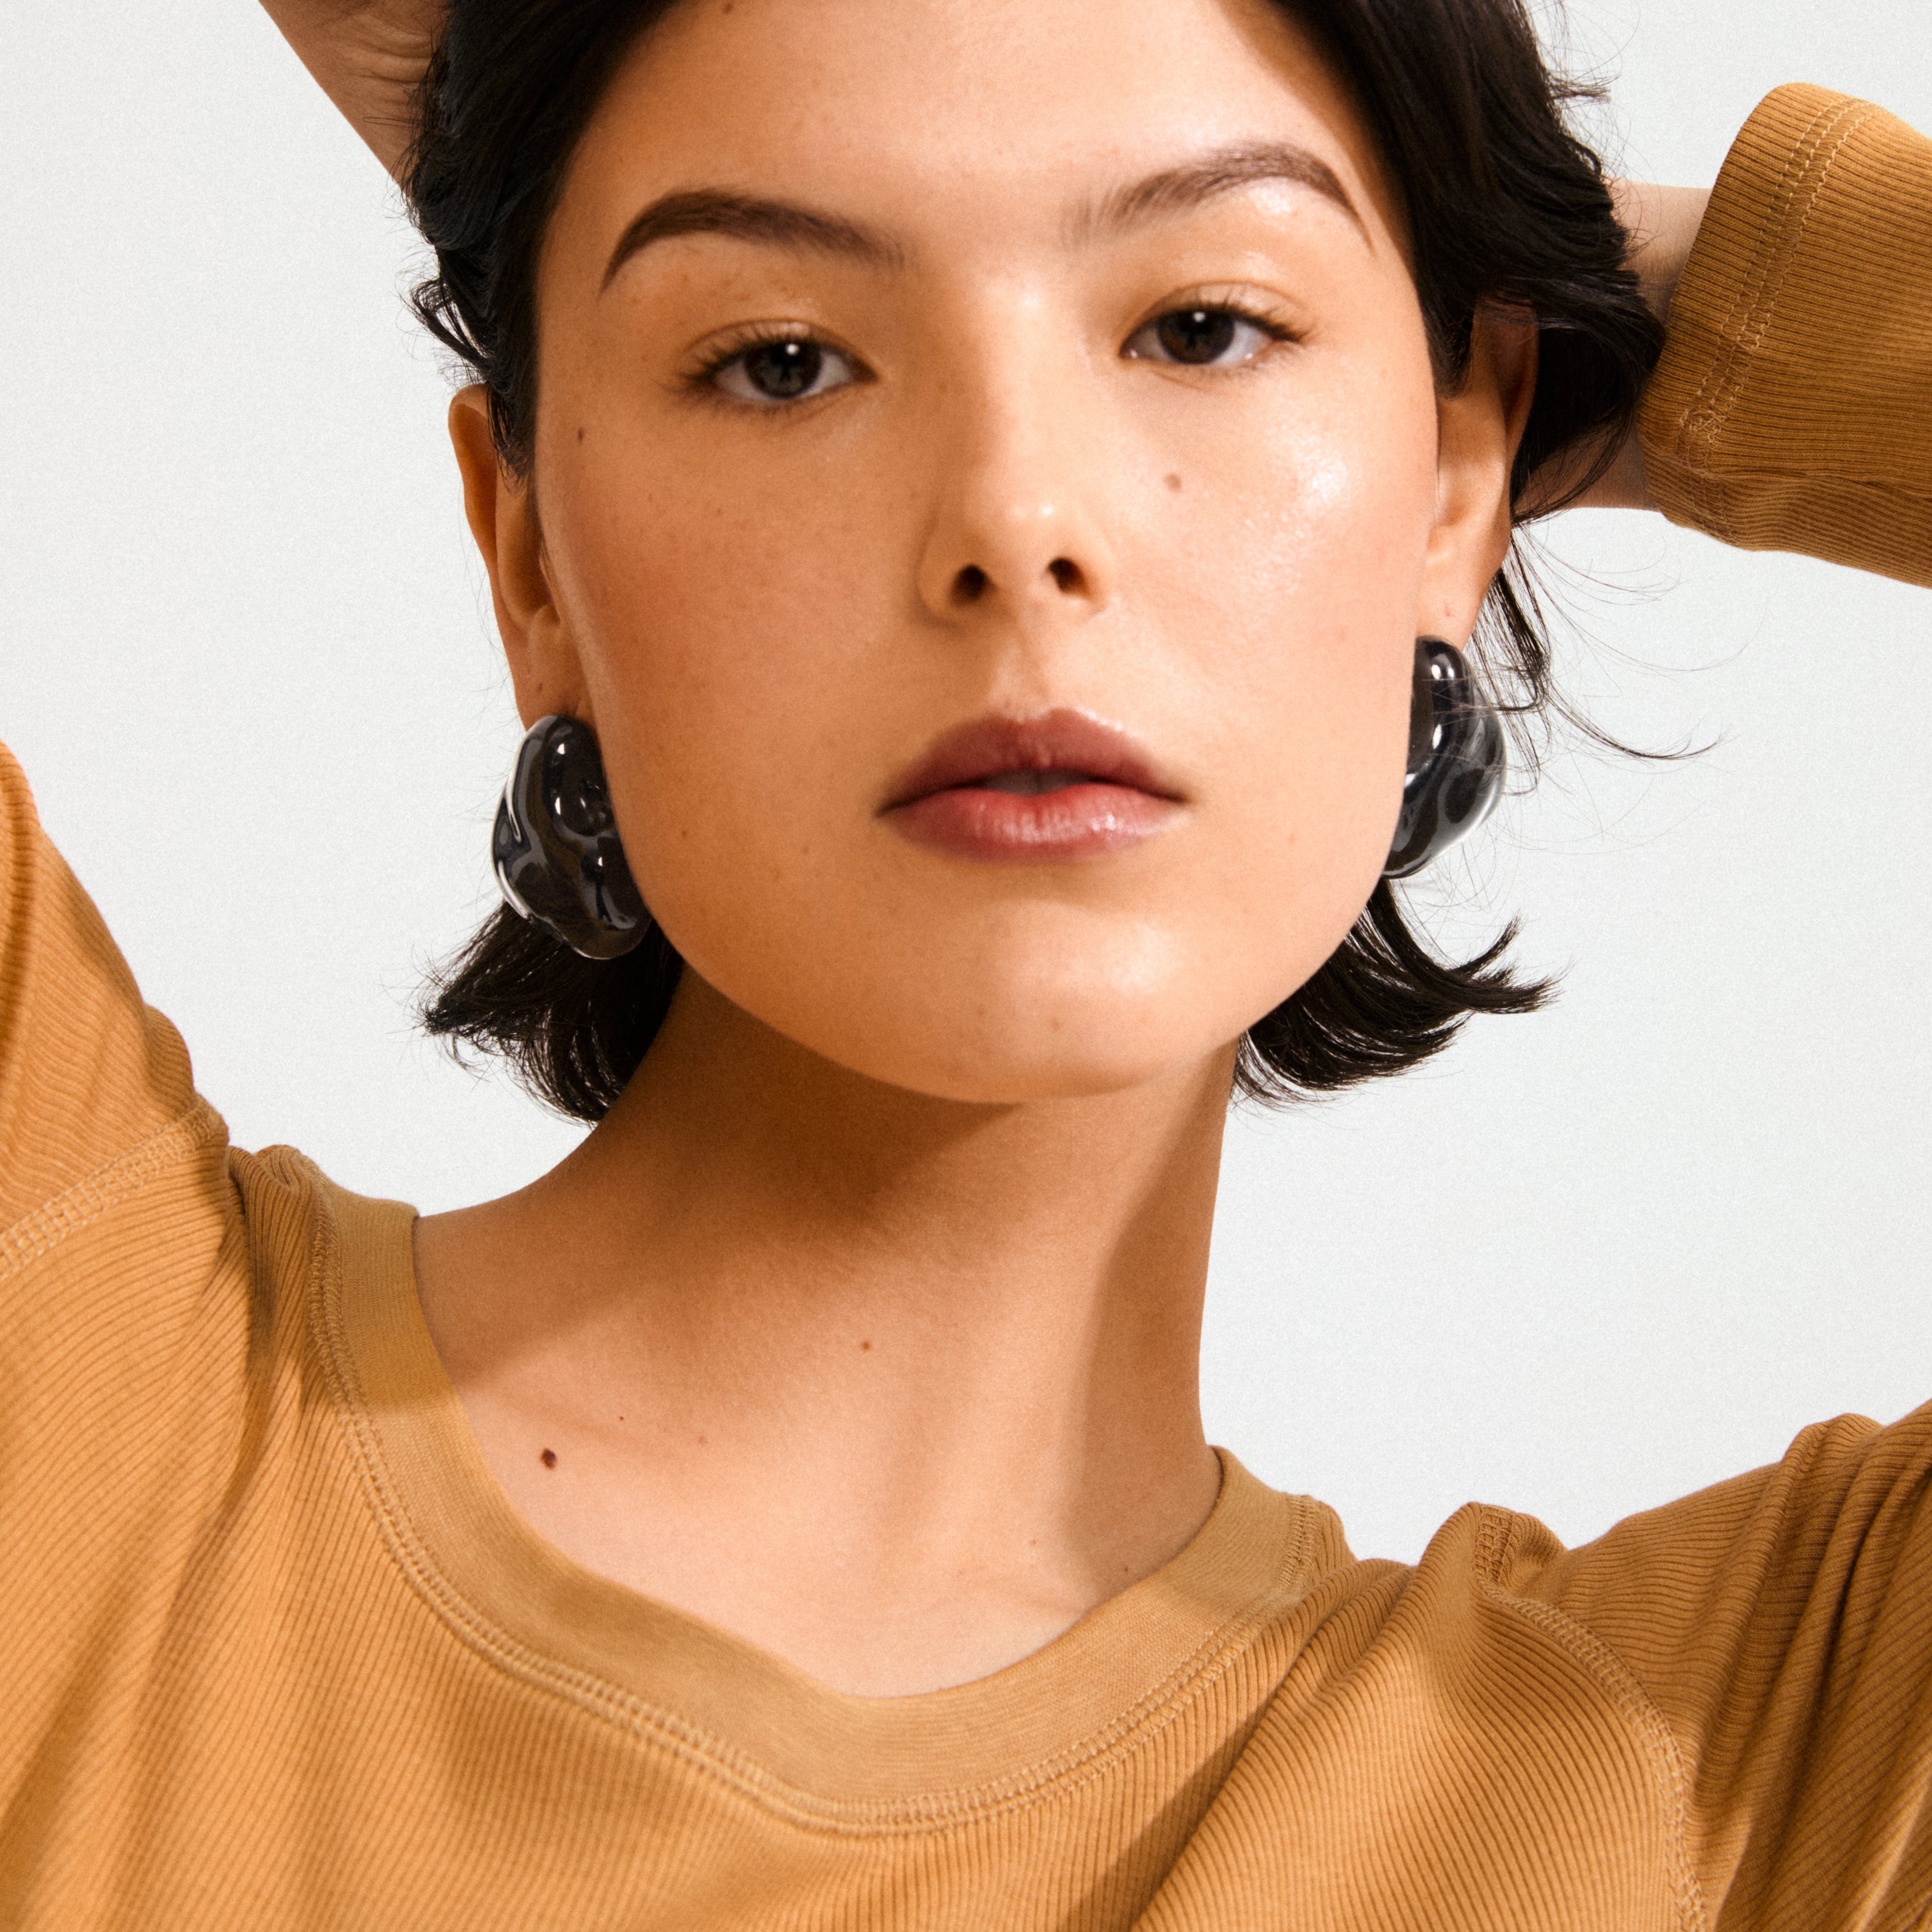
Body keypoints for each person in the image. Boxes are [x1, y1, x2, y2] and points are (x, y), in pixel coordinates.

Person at [0, 1, 1927, 1926]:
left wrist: (1544, 263)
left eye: (1203, 328)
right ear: (528, 556)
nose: (1016, 521)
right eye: (781, 360)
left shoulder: (1706, 1793)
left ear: (1459, 464)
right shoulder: (73, 1372)